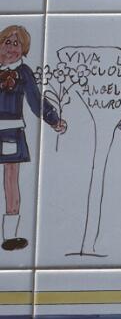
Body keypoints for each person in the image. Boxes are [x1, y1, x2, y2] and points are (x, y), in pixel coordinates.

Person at [0, 25, 67, 251]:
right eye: (7, 42)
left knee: (11, 181)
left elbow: (36, 100)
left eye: (16, 44)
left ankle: (10, 236)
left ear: (24, 50)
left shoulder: (24, 72)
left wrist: (54, 119)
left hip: (10, 131)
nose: (11, 48)